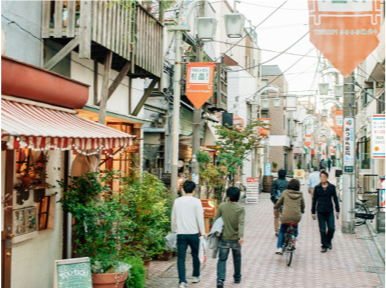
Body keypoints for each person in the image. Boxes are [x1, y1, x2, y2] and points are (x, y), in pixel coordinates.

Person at [171, 180, 206, 287]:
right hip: (193, 232)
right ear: (194, 189)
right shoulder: (196, 202)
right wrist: (203, 233)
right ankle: (195, 276)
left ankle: (182, 281)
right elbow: (200, 219)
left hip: (181, 233)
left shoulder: (177, 201)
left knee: (181, 257)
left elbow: (173, 218)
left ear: (183, 189)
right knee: (195, 255)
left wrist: (174, 230)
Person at [214, 187, 245, 288]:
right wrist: (241, 236)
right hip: (236, 238)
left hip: (224, 238)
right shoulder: (240, 208)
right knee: (237, 258)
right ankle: (237, 277)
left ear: (227, 196)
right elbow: (241, 223)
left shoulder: (222, 206)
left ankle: (220, 279)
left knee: (222, 259)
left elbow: (216, 220)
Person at [274, 179, 305, 255]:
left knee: (281, 231)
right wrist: (302, 210)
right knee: (295, 220)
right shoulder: (300, 194)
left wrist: (276, 206)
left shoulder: (285, 192)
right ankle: (295, 234)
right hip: (296, 217)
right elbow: (303, 205)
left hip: (286, 216)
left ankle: (279, 248)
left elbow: (279, 202)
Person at [311, 170, 340, 253]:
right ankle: (324, 246)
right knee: (322, 229)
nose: (322, 178)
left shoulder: (332, 187)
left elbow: (335, 198)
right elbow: (314, 200)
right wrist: (313, 212)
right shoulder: (317, 187)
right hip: (320, 210)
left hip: (329, 210)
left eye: (324, 177)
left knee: (332, 228)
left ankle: (328, 241)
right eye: (321, 177)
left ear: (327, 178)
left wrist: (337, 210)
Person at [270, 169, 288, 236]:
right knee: (285, 217)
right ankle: (284, 230)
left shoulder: (275, 182)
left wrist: (274, 201)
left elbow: (272, 192)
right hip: (285, 202)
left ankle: (277, 231)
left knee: (276, 216)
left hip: (277, 202)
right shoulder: (287, 183)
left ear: (278, 174)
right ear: (285, 175)